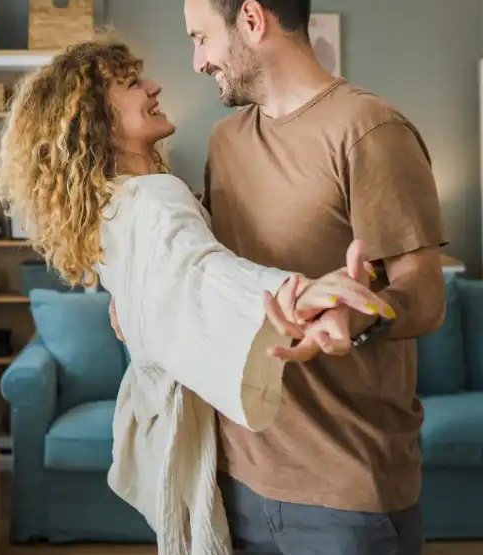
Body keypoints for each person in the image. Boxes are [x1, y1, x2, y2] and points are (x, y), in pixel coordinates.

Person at [0, 40, 388, 553]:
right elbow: (200, 271)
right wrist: (298, 293)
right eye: (132, 84)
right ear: (95, 117)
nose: (154, 87)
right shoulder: (155, 198)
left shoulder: (112, 203)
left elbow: (171, 278)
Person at [184, 0, 448, 553]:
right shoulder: (223, 143)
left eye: (201, 38)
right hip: (236, 476)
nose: (197, 60)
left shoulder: (369, 129)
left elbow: (425, 293)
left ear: (252, 20)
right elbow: (212, 276)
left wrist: (356, 314)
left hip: (347, 489)